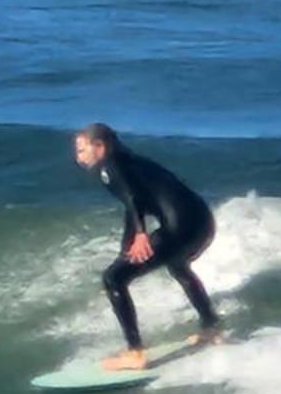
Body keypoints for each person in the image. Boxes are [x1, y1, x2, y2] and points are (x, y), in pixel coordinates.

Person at [73, 122, 221, 370]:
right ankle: (212, 328)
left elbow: (133, 198)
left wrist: (141, 235)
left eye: (81, 150)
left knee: (113, 279)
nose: (78, 157)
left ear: (99, 146)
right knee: (177, 265)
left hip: (180, 227)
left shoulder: (110, 166)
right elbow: (134, 205)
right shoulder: (129, 161)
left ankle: (135, 353)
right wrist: (127, 247)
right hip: (201, 222)